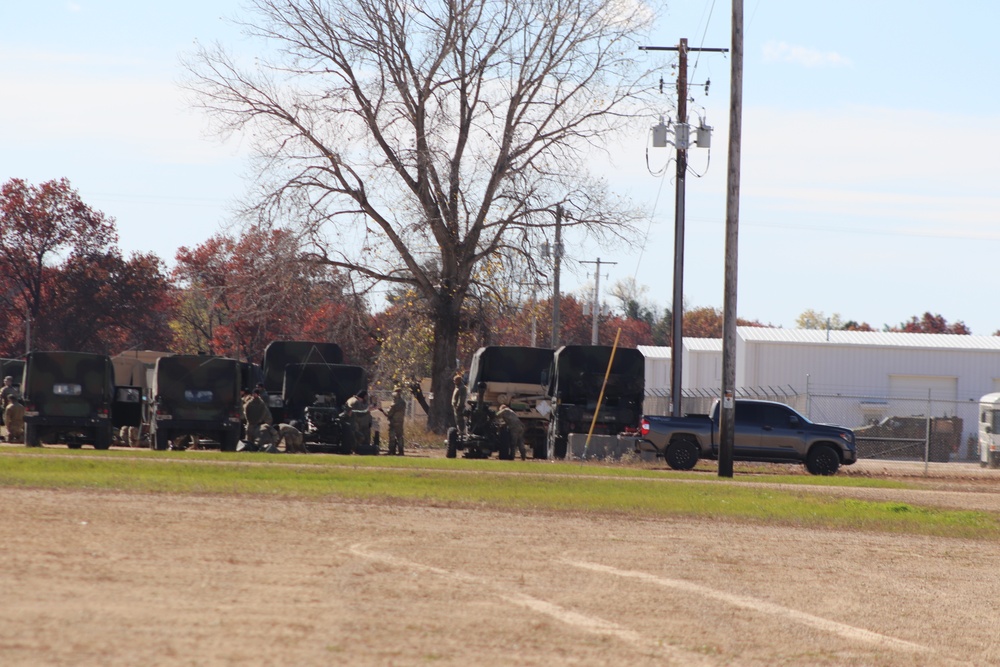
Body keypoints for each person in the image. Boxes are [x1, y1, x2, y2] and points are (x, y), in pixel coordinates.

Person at [383, 386, 406, 456]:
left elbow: (390, 412)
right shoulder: (403, 402)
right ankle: (401, 451)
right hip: (400, 421)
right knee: (400, 436)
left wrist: (385, 411)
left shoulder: (395, 403)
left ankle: (391, 451)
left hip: (393, 421)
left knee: (392, 436)